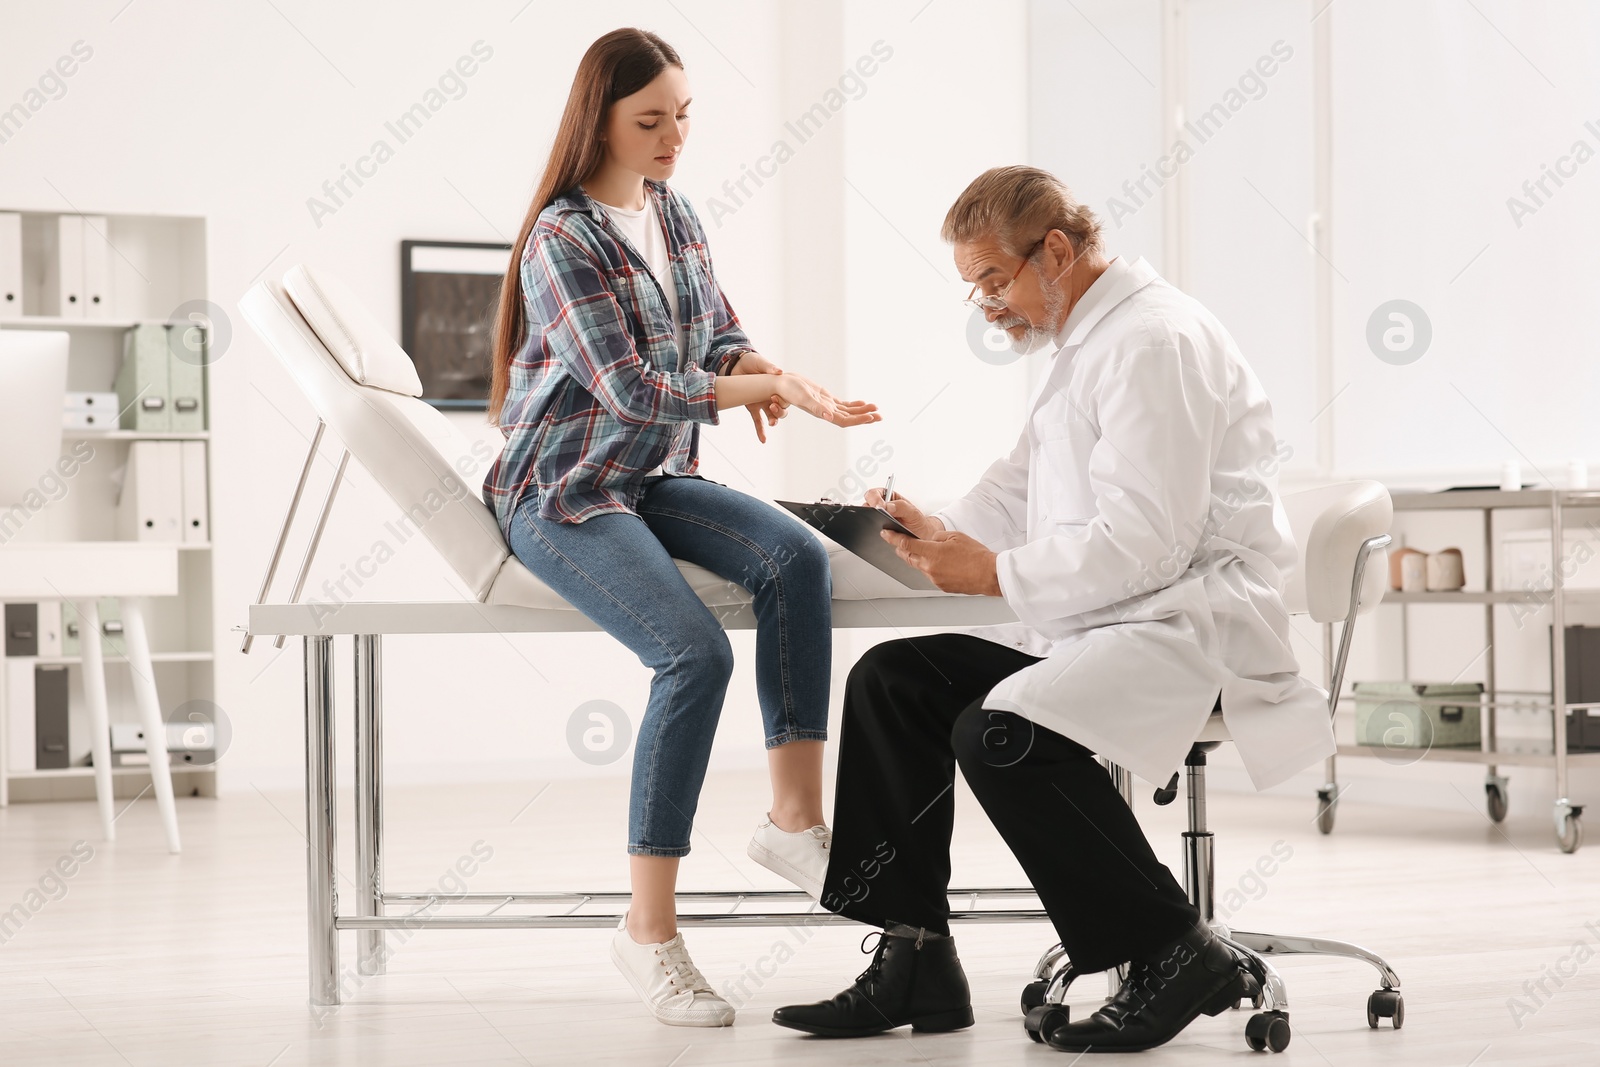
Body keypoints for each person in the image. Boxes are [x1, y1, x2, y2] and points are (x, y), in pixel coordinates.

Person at [772, 165, 1335, 1053]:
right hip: (1111, 626)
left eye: (993, 280)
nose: (986, 305)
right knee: (896, 679)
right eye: (976, 288)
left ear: (1058, 251)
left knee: (1000, 730)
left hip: (1191, 629)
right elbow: (1020, 487)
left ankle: (1170, 948)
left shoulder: (1154, 343)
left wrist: (992, 571)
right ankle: (916, 958)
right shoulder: (1087, 345)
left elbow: (1150, 539)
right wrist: (937, 529)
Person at [482, 28, 879, 1028]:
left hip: (651, 475)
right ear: (600, 121)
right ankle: (647, 932)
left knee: (793, 554)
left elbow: (720, 332)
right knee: (691, 654)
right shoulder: (562, 241)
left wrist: (777, 375)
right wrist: (750, 385)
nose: (672, 137)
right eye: (650, 120)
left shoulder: (677, 212)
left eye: (684, 116)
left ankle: (794, 817)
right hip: (564, 489)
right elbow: (630, 385)